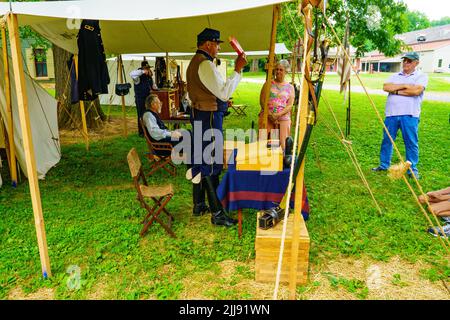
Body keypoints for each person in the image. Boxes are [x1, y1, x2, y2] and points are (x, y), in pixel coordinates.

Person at [186, 27, 247, 226]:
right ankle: (217, 213)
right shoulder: (204, 64)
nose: (218, 49)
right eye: (217, 45)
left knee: (200, 159)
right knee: (211, 164)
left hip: (200, 115)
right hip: (208, 119)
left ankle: (199, 204)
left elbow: (207, 92)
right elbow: (223, 92)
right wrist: (238, 70)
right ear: (208, 44)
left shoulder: (195, 62)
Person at [372, 52, 428, 179]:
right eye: (405, 61)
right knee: (387, 140)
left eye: (409, 61)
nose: (406, 63)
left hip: (410, 114)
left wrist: (395, 91)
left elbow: (416, 91)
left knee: (411, 142)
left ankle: (412, 170)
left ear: (416, 63)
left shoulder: (421, 76)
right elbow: (386, 87)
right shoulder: (395, 75)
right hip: (391, 114)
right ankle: (384, 165)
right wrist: (404, 86)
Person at [258, 59, 295, 151]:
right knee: (265, 142)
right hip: (267, 115)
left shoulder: (290, 87)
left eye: (281, 70)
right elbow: (262, 100)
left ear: (286, 71)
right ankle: (264, 159)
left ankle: (282, 159)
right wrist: (270, 114)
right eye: (277, 69)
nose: (278, 71)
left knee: (283, 142)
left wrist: (278, 115)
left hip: (283, 117)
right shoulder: (268, 84)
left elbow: (290, 105)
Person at [130, 61, 157, 136]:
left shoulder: (149, 77)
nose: (148, 70)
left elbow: (153, 86)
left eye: (148, 68)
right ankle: (142, 132)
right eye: (146, 68)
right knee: (141, 115)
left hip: (148, 99)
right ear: (143, 68)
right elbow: (131, 74)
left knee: (148, 115)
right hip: (140, 99)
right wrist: (142, 71)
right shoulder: (137, 77)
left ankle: (148, 131)